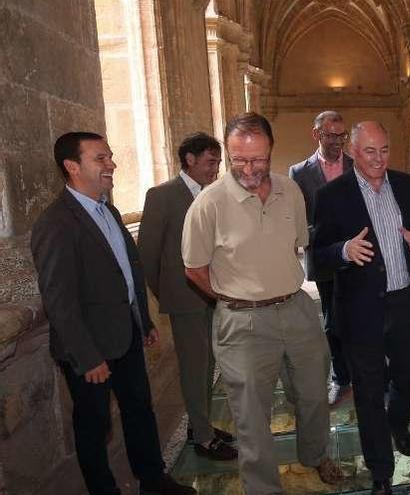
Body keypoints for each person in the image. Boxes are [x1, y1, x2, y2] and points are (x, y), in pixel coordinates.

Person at [182, 112, 341, 493]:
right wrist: (234, 297)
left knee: (315, 395)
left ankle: (315, 455)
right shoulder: (210, 204)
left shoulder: (291, 190)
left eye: (258, 159)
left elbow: (298, 243)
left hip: (297, 309)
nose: (249, 169)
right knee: (252, 417)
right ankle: (263, 487)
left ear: (271, 150)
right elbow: (194, 269)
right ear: (227, 154)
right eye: (239, 159)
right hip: (243, 323)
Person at [30, 132, 195, 495]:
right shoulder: (56, 223)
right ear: (72, 167)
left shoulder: (109, 210)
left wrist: (144, 321)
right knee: (94, 425)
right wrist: (87, 357)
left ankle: (153, 480)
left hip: (127, 336)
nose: (111, 165)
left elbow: (127, 270)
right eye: (100, 159)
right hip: (90, 349)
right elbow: (59, 301)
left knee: (140, 411)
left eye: (111, 157)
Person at [312, 121, 410, 495]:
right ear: (352, 151)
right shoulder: (333, 195)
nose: (379, 159)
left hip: (402, 303)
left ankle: (396, 422)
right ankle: (381, 472)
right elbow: (317, 260)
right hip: (360, 309)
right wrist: (344, 251)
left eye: (384, 150)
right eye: (370, 151)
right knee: (367, 392)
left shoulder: (406, 185)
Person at [138, 132, 237, 460]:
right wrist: (168, 293)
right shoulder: (161, 196)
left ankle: (200, 424)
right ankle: (204, 439)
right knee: (194, 368)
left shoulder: (215, 194)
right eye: (211, 162)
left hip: (213, 293)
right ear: (190, 160)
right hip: (185, 298)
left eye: (218, 162)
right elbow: (148, 256)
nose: (216, 168)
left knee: (208, 365)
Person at [288, 110, 355, 406]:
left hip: (358, 255)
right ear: (316, 134)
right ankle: (340, 378)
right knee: (332, 323)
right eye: (331, 136)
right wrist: (324, 235)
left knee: (362, 317)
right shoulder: (299, 173)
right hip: (325, 258)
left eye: (342, 136)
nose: (337, 142)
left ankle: (365, 374)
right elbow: (297, 220)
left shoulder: (357, 166)